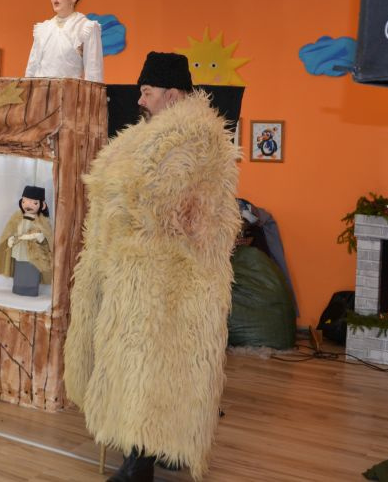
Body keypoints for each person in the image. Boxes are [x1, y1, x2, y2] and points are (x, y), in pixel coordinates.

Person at [64, 52, 242, 482]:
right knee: (141, 366)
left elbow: (168, 209)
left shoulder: (194, 139)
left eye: (146, 92)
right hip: (130, 271)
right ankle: (159, 448)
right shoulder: (143, 139)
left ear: (172, 94)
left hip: (166, 278)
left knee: (149, 367)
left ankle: (139, 461)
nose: (140, 101)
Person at [24, 0, 104, 82]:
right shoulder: (43, 28)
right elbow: (32, 67)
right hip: (40, 90)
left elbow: (94, 72)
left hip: (69, 91)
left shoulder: (86, 27)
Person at [0, 185, 53, 296]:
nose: (28, 205)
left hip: (34, 253)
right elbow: (10, 230)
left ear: (42, 205)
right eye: (25, 202)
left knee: (32, 270)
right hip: (19, 249)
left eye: (34, 203)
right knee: (20, 269)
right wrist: (10, 239)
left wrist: (36, 236)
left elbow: (46, 236)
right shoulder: (17, 217)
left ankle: (31, 290)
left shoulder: (42, 220)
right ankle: (18, 288)